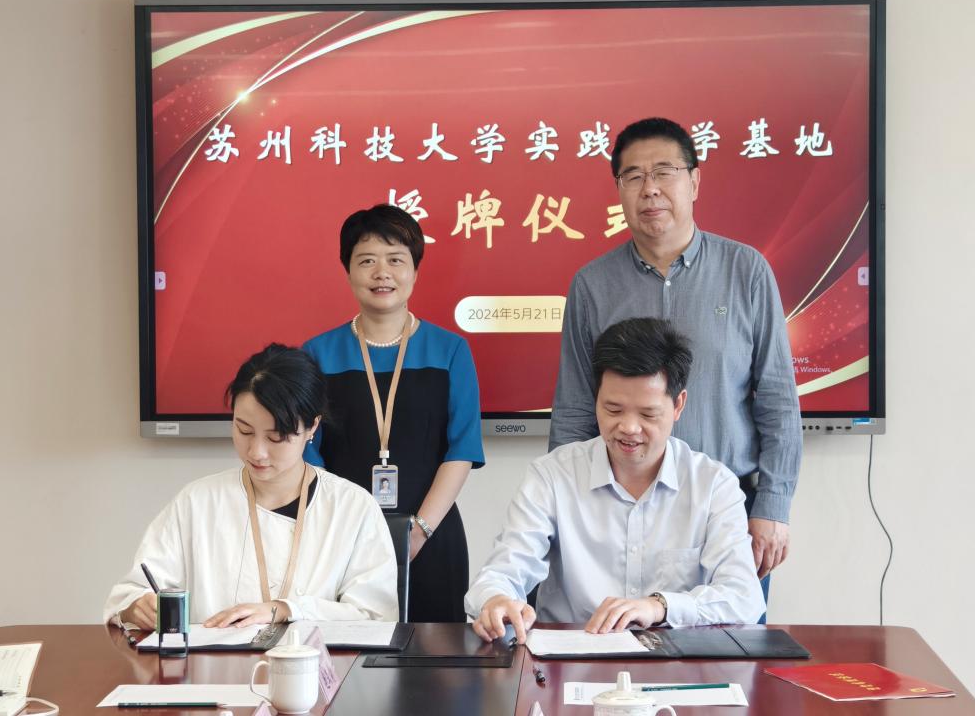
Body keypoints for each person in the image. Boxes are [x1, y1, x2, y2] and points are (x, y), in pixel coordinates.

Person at [549, 117, 802, 600]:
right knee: (615, 640)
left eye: (665, 172)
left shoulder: (746, 270)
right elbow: (575, 410)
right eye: (634, 176)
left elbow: (777, 398)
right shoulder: (592, 285)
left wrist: (772, 506)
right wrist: (561, 509)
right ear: (619, 189)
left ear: (694, 181)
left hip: (727, 511)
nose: (650, 189)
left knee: (730, 641)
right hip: (618, 513)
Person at [467, 317, 764, 642]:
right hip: (571, 657)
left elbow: (745, 597)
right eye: (613, 410)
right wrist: (495, 600)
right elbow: (503, 570)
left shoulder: (713, 484)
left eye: (648, 414)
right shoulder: (552, 476)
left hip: (673, 660)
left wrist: (660, 606)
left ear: (678, 405)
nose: (629, 428)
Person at [104, 344, 398, 629]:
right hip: (210, 663)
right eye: (244, 430)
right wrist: (136, 606)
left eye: (276, 436)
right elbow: (131, 592)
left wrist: (289, 610)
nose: (256, 452)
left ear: (312, 427)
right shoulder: (198, 502)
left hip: (315, 664)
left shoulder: (352, 507)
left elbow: (376, 617)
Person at [303, 204, 485, 623]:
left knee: (436, 657)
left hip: (432, 536)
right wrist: (348, 533)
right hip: (342, 540)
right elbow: (309, 454)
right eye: (367, 260)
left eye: (396, 260)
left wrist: (419, 530)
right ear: (348, 270)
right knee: (346, 652)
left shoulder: (450, 351)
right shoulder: (317, 354)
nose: (381, 272)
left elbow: (461, 449)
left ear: (415, 271)